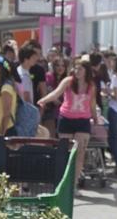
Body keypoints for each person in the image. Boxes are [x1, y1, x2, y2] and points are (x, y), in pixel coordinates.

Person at [38, 57, 100, 189]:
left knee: (79, 152)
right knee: (65, 152)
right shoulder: (68, 81)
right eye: (75, 68)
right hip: (66, 119)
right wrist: (43, 100)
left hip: (83, 121)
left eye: (80, 68)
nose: (76, 71)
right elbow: (56, 94)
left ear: (86, 71)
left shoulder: (91, 85)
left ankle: (74, 184)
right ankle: (62, 181)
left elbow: (92, 103)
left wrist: (95, 118)